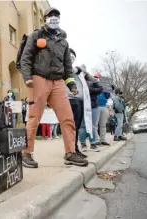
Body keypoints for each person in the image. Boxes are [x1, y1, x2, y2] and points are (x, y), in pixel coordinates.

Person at [19, 7, 88, 168]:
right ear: (45, 18)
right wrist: (28, 78)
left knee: (67, 117)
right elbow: (26, 58)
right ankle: (26, 153)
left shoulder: (64, 41)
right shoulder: (37, 35)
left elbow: (67, 66)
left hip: (58, 82)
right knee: (34, 117)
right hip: (38, 78)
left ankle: (70, 152)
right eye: (51, 15)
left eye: (57, 15)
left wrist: (71, 84)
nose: (54, 18)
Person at [66, 48, 90, 158]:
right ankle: (71, 150)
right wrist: (78, 69)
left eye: (73, 57)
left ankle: (75, 148)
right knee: (72, 126)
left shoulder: (78, 71)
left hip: (80, 100)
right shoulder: (66, 67)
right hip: (71, 99)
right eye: (70, 56)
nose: (71, 59)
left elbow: (92, 81)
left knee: (78, 125)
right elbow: (68, 71)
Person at [79, 74, 103, 152]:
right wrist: (95, 82)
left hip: (87, 105)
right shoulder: (91, 84)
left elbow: (100, 90)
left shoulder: (80, 83)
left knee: (84, 126)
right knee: (89, 125)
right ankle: (91, 144)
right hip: (88, 106)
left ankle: (85, 144)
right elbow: (100, 89)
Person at [95, 75, 111, 146]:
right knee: (95, 125)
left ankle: (103, 140)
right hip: (96, 107)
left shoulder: (104, 89)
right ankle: (96, 140)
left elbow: (108, 96)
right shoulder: (93, 85)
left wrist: (108, 89)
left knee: (103, 125)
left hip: (104, 107)